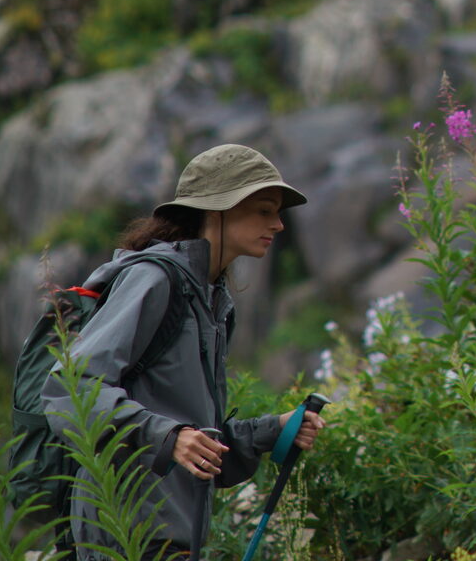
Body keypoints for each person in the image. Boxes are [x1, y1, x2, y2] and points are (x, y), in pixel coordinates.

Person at [42, 144, 328, 560]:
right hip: (126, 534)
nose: (279, 224)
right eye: (265, 209)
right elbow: (68, 390)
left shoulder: (210, 301)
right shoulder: (154, 281)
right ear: (218, 210)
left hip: (171, 537)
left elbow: (198, 446)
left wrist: (272, 430)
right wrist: (168, 437)